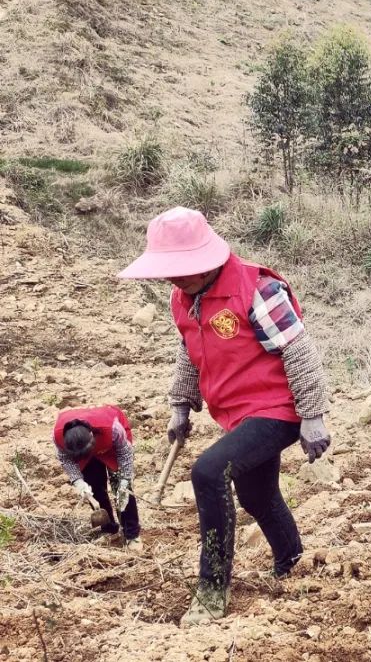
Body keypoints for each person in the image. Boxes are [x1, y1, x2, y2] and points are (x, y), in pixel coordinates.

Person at [119, 207, 332, 627]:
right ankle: (293, 561)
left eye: (180, 270)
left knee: (209, 471)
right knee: (257, 495)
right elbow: (189, 350)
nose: (173, 279)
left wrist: (312, 415)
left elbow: (298, 349)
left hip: (278, 409)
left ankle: (213, 588)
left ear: (206, 260)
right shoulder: (183, 298)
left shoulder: (258, 290)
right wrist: (180, 403)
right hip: (237, 414)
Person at [53, 405, 141, 548]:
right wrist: (78, 482)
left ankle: (132, 534)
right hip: (82, 454)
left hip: (112, 448)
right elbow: (66, 460)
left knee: (122, 491)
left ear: (92, 436)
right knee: (94, 487)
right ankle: (108, 529)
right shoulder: (59, 437)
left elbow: (125, 454)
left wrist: (125, 479)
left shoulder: (112, 428)